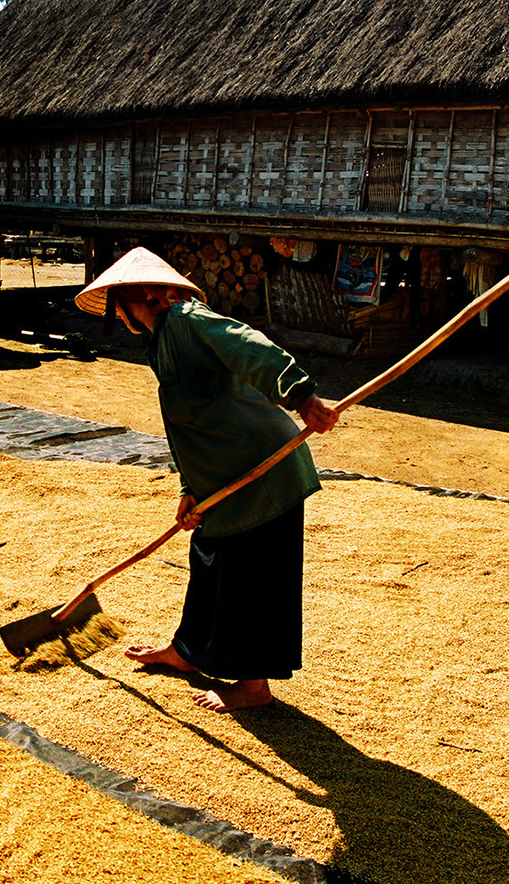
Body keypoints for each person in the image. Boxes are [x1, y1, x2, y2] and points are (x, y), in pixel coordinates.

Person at [74, 247, 339, 712]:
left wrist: (300, 395)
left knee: (254, 578)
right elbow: (188, 423)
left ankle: (254, 685)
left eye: (123, 305)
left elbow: (249, 346)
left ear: (140, 300)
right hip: (220, 478)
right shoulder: (163, 343)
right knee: (209, 565)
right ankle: (186, 650)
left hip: (262, 471)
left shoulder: (189, 321)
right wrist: (189, 487)